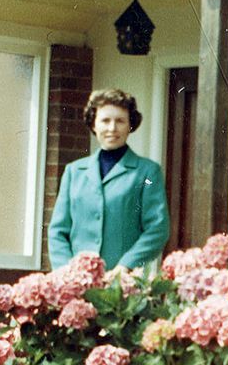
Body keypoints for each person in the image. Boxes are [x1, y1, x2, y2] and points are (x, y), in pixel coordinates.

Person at [48, 88, 170, 270]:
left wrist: (126, 266)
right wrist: (67, 272)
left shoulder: (147, 173)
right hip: (77, 283)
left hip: (123, 284)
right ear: (93, 124)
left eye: (120, 121)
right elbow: (57, 231)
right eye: (105, 121)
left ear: (130, 125)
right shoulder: (74, 172)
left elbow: (157, 229)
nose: (112, 128)